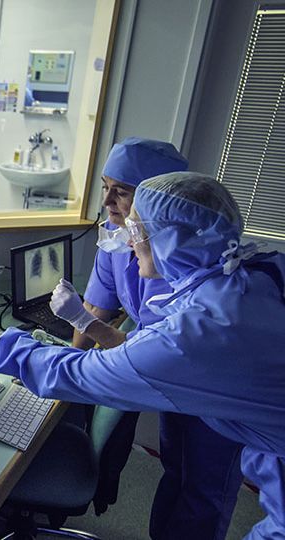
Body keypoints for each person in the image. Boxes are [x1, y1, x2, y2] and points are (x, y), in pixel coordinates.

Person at [0, 172, 285, 539]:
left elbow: (83, 374)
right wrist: (85, 321)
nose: (129, 239)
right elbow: (145, 349)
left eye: (136, 229)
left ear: (171, 241)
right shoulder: (253, 275)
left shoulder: (200, 332)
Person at [50, 138, 244, 539]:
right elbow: (98, 306)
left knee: (204, 484)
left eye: (121, 191)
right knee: (177, 465)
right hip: (160, 358)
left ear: (153, 200)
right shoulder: (115, 234)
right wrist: (66, 365)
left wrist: (63, 354)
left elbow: (151, 353)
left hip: (212, 376)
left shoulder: (182, 253)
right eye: (105, 187)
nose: (107, 202)